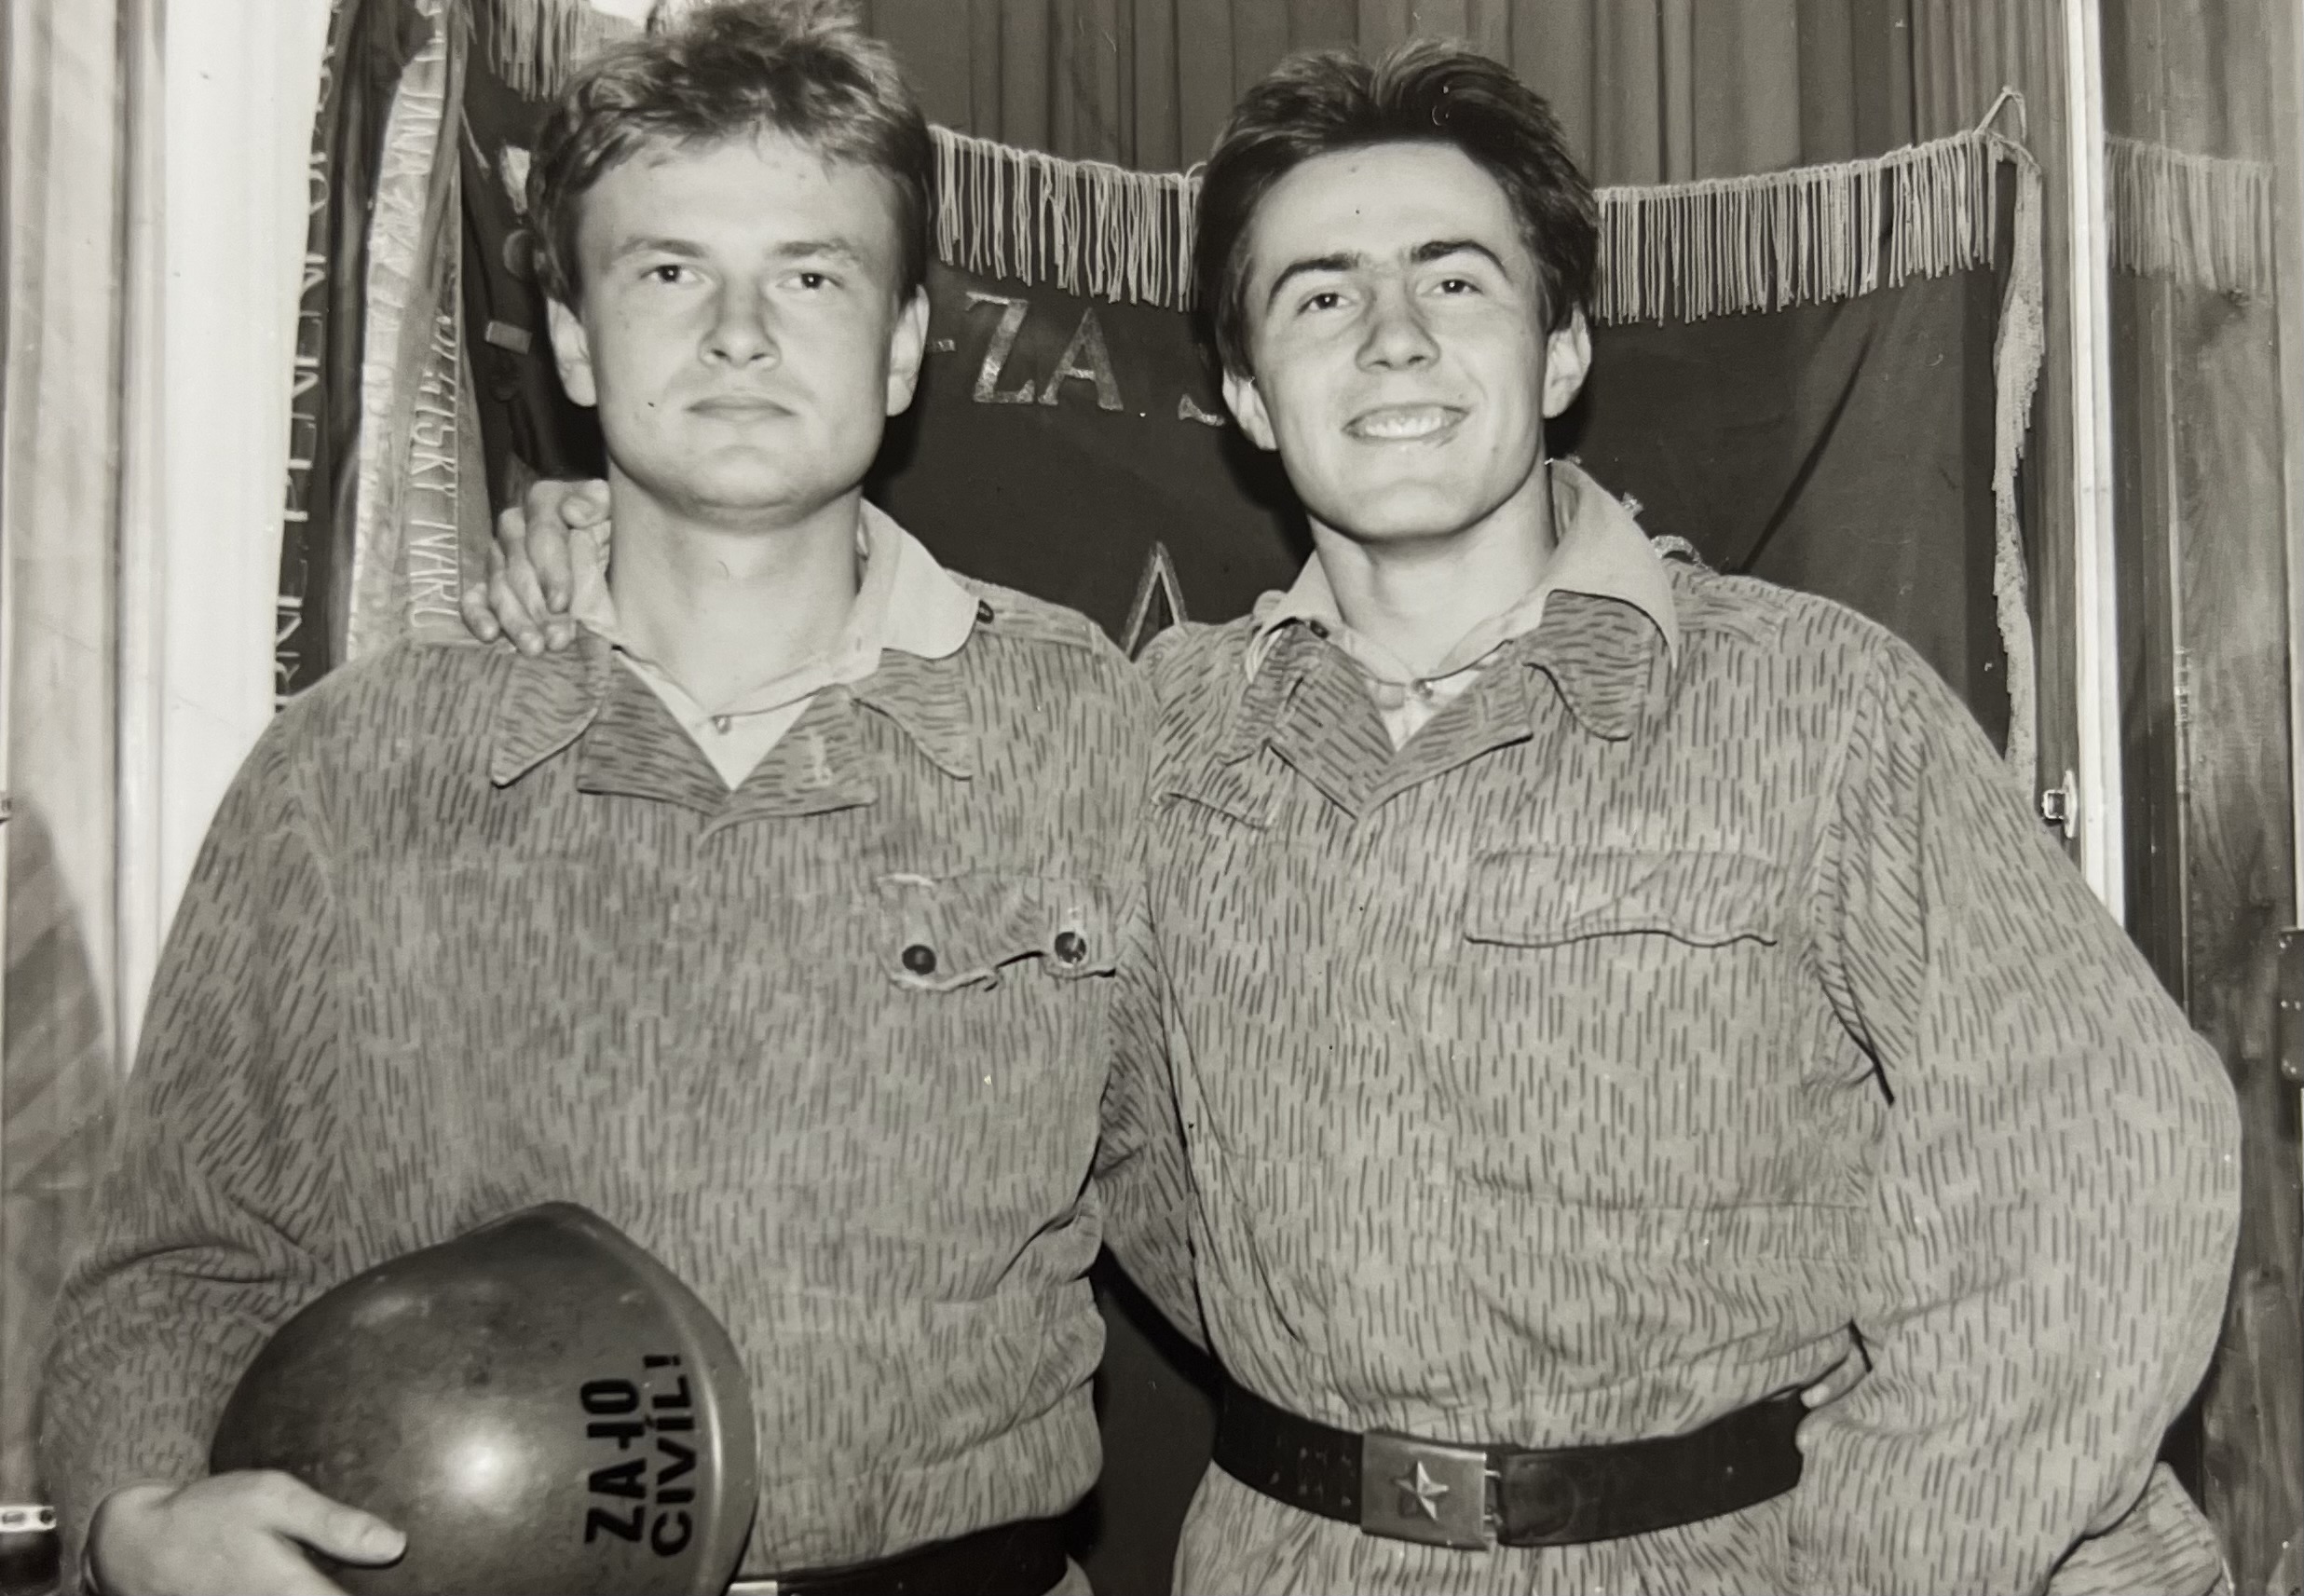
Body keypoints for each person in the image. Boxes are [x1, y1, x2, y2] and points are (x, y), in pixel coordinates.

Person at [476, 35, 2243, 1596]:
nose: (1392, 335)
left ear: (1560, 349)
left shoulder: (1813, 701)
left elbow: (2097, 1158)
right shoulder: (1145, 736)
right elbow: (1045, 1125)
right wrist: (619, 548)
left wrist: (1883, 1558)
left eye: (1455, 280)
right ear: (1249, 394)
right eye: (1318, 296)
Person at [40, 6, 1187, 1594]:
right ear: (575, 341)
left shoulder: (1084, 728)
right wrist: (135, 1513)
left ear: (904, 343)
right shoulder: (357, 762)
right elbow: (178, 1259)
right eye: (666, 272)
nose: (739, 334)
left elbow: (1220, 1193)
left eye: (811, 275)